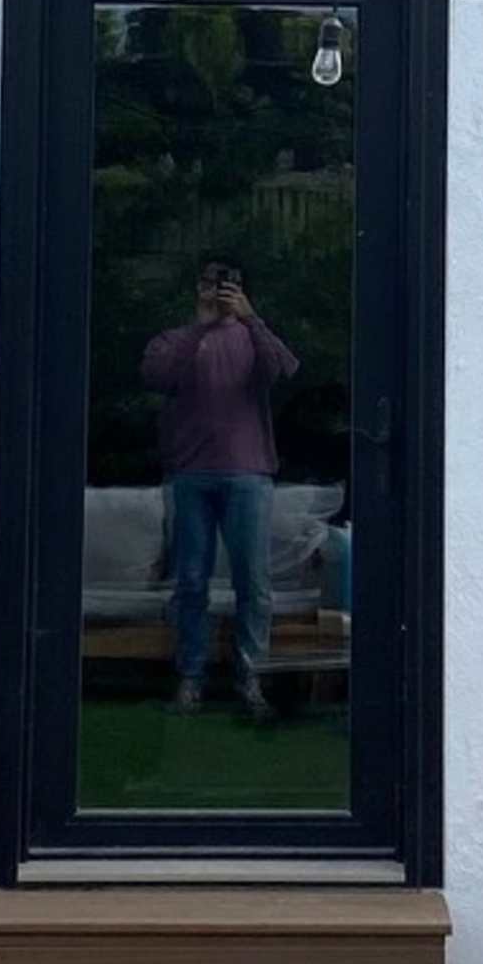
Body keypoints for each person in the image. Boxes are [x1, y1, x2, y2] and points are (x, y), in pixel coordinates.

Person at [142, 255, 298, 718]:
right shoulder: (175, 340)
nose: (219, 291)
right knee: (190, 581)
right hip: (190, 474)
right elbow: (158, 376)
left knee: (254, 581)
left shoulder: (253, 336)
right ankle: (191, 677)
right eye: (211, 283)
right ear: (198, 288)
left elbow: (284, 371)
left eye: (228, 284)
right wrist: (200, 328)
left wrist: (251, 318)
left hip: (248, 473)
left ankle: (251, 677)